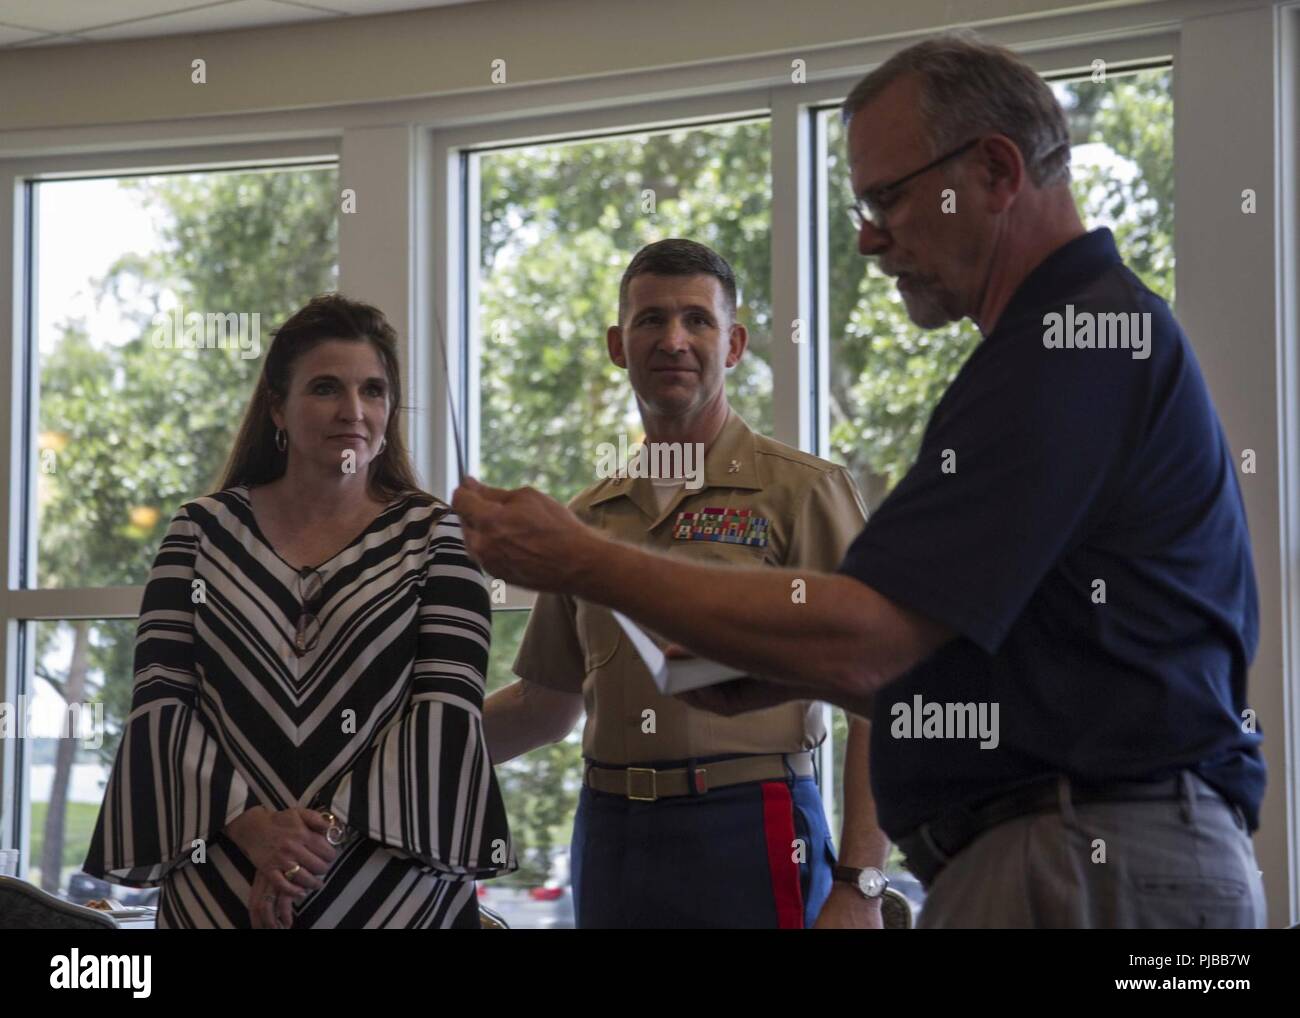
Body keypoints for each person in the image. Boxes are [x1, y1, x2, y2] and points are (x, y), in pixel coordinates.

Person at [453, 33, 1267, 929]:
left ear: (995, 171)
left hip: (1085, 858)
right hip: (1045, 852)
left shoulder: (1072, 342)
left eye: (888, 198)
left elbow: (867, 638)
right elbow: (929, 654)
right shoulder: (1044, 351)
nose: (872, 239)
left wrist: (581, 561)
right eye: (649, 320)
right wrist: (765, 668)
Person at [484, 239, 888, 929]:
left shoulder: (804, 492)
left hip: (752, 825)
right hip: (612, 834)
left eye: (697, 320)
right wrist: (399, 753)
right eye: (651, 320)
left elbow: (880, 697)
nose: (674, 340)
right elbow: (545, 708)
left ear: (733, 345)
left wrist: (860, 883)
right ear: (619, 344)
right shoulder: (582, 522)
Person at [84, 294, 514, 928]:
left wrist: (316, 841)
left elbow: (444, 714)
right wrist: (255, 830)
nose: (353, 411)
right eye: (325, 389)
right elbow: (162, 704)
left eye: (373, 390)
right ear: (277, 408)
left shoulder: (438, 538)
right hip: (222, 874)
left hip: (391, 886)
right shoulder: (199, 533)